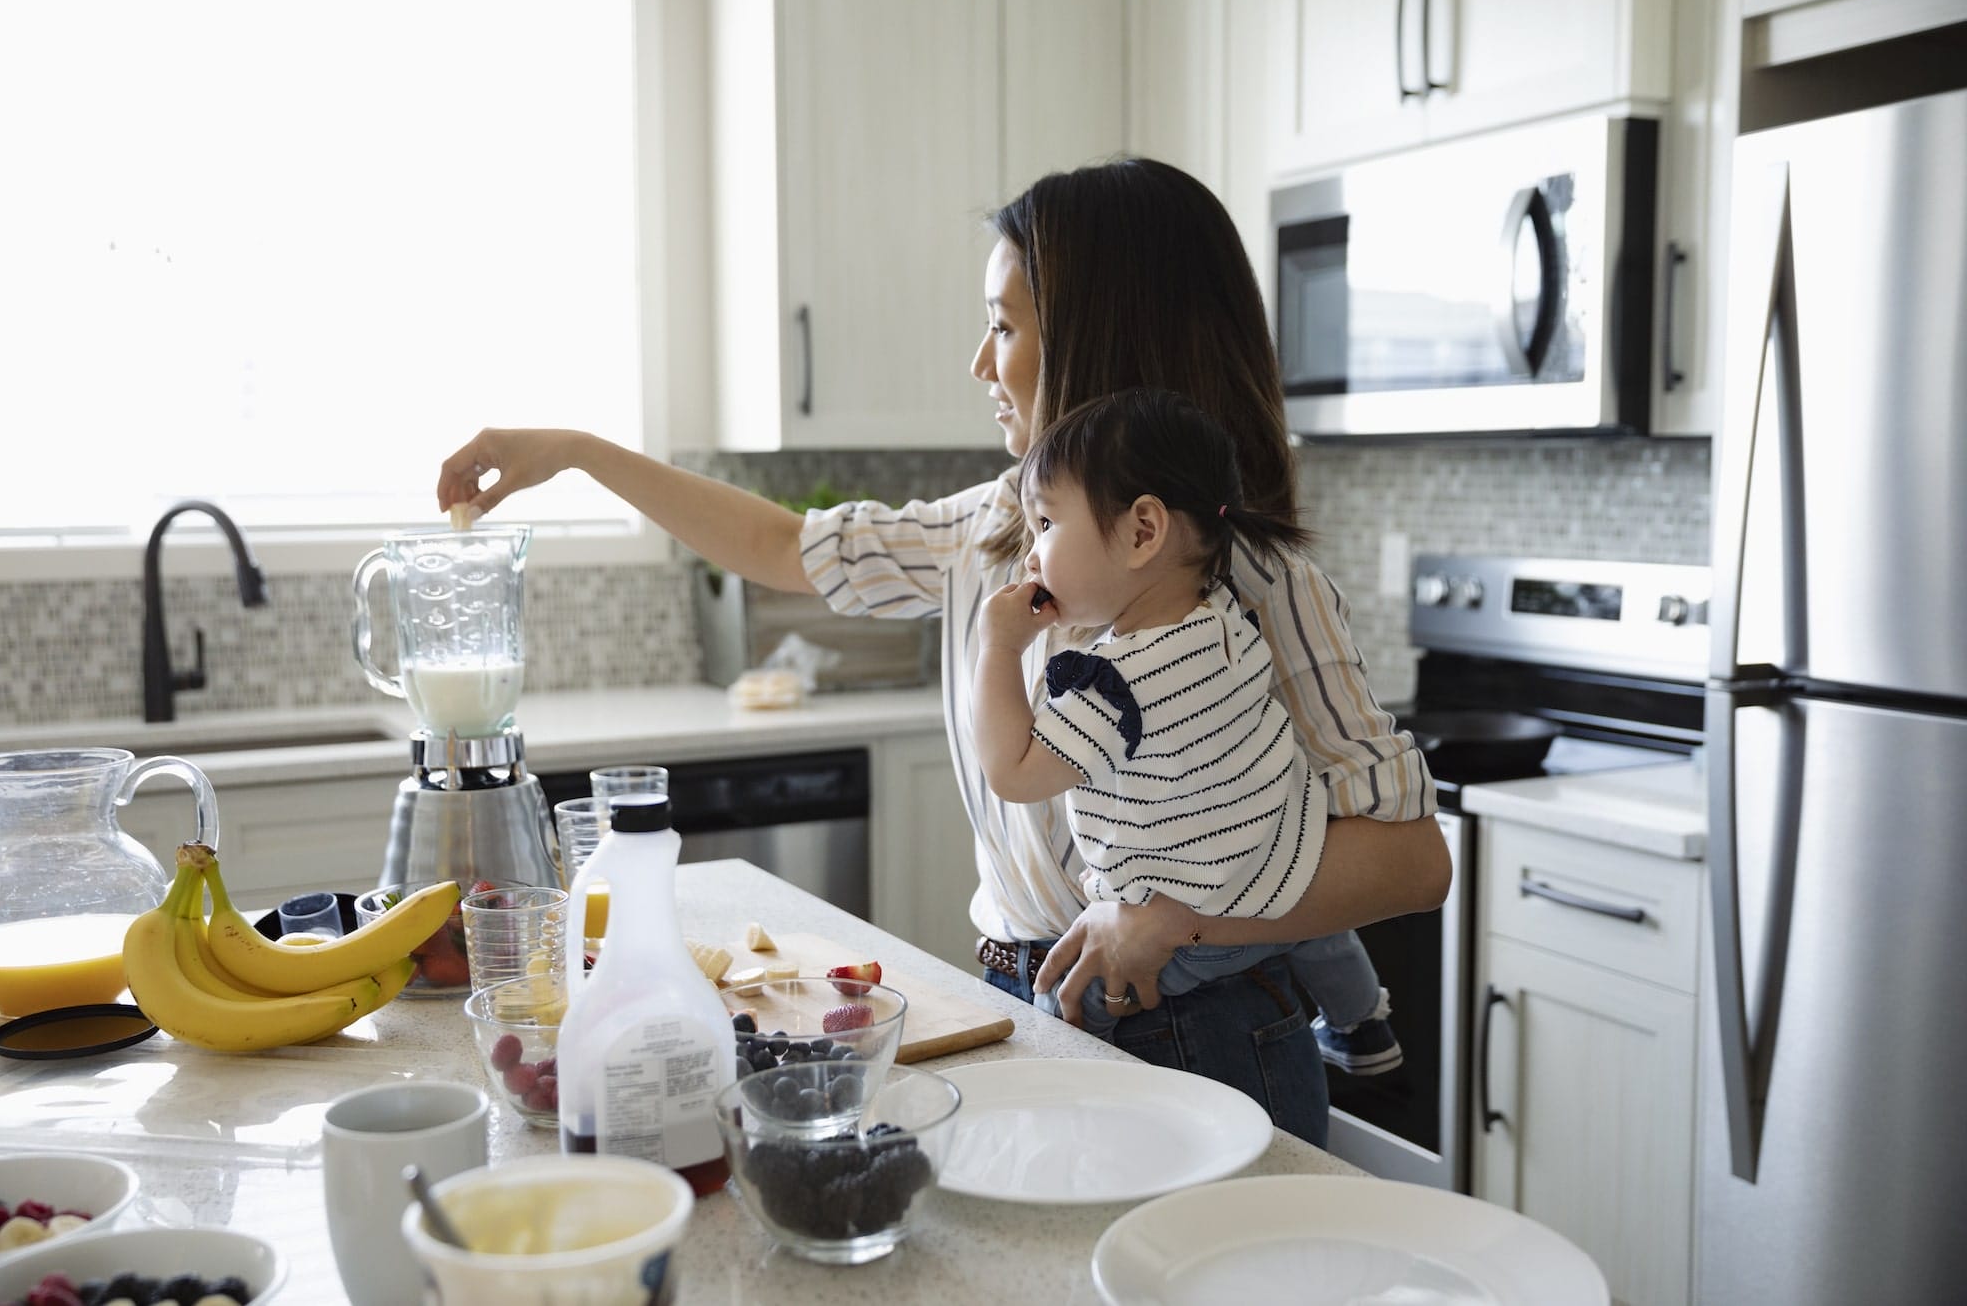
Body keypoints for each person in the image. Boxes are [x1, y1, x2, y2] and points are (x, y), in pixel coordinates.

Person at [434, 156, 1448, 1145]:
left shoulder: (1260, 582)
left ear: (1099, 342)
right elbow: (782, 545)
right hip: (1031, 1005)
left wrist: (1177, 916)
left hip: (1209, 1028)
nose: (977, 362)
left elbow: (1411, 861)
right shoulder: (985, 532)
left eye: (1002, 327)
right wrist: (576, 451)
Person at [970, 386, 1400, 1072]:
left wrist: (996, 648)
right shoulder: (1225, 616)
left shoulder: (1115, 684)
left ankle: (1073, 1072)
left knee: (1066, 992)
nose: (1031, 556)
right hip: (1278, 865)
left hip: (1190, 935)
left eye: (1046, 524)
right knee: (1316, 928)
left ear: (1144, 531)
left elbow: (1013, 772)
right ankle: (1360, 1022)